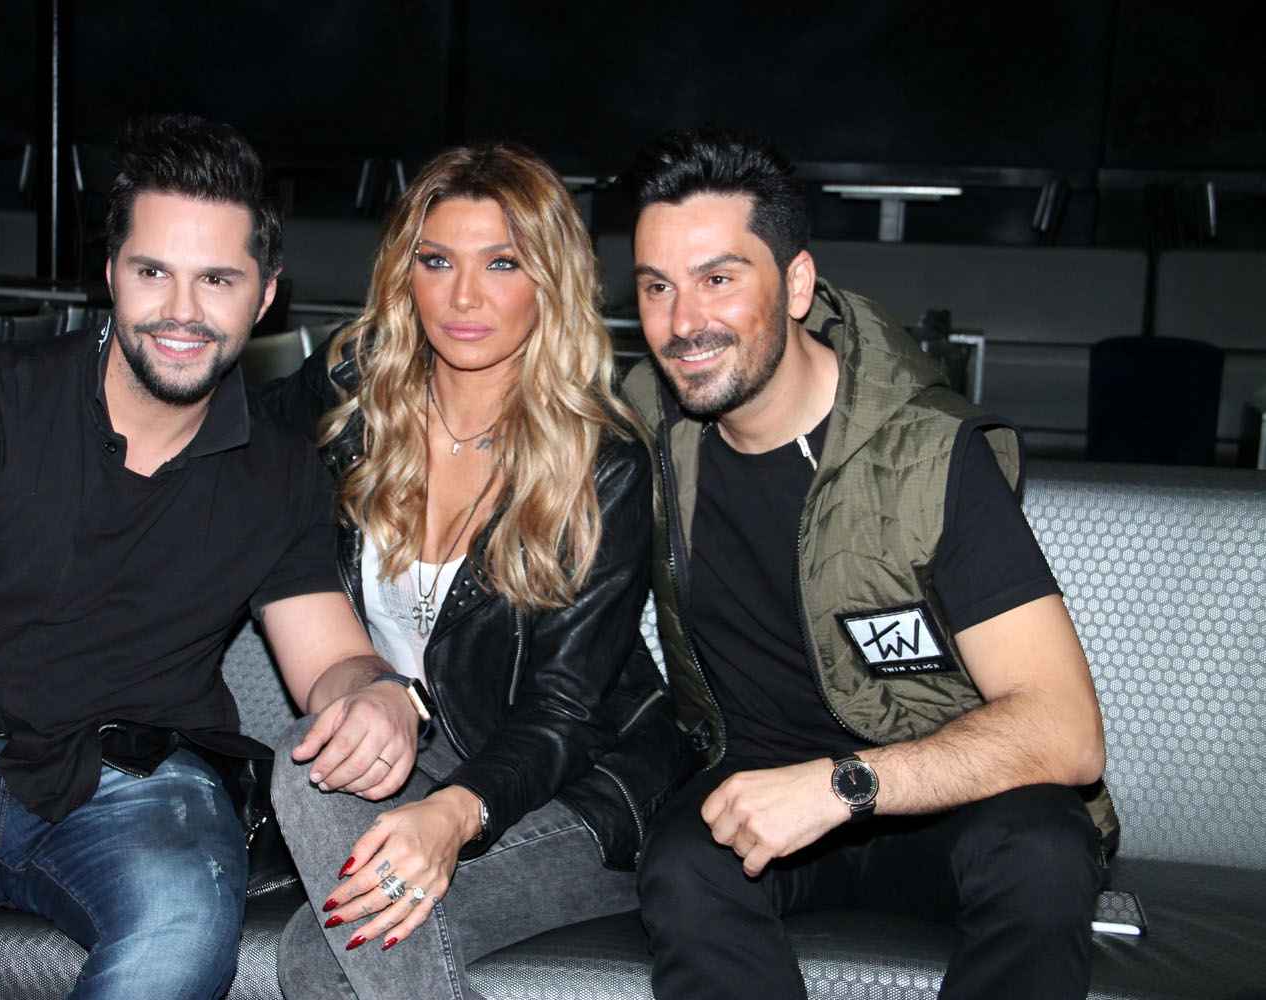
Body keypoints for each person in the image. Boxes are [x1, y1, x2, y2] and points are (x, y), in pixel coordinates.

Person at [0, 114, 400, 1000]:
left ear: (265, 297)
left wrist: (376, 695)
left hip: (134, 786)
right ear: (111, 275)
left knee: (182, 923)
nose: (182, 311)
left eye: (217, 280)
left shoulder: (278, 471)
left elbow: (332, 662)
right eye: (153, 272)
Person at [621, 129, 1118, 1000]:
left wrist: (845, 785)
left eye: (719, 279)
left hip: (947, 804)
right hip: (761, 797)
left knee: (1042, 849)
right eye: (657, 287)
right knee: (680, 867)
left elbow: (1067, 731)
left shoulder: (928, 455)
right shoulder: (647, 426)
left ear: (797, 285)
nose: (683, 321)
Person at [260, 143, 686, 1000]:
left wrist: (453, 816)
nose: (463, 297)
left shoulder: (600, 461)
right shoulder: (353, 404)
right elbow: (220, 438)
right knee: (301, 766)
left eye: (501, 263)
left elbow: (564, 713)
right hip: (419, 756)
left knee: (321, 953)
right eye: (436, 261)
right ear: (404, 275)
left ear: (551, 281)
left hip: (578, 789)